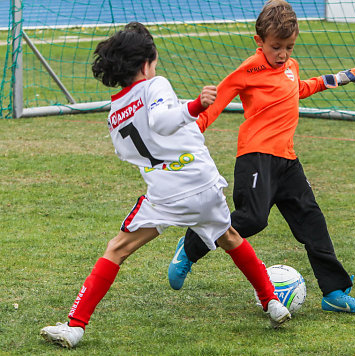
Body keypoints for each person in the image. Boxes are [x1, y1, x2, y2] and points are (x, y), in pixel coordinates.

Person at [40, 21, 290, 349]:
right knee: (230, 236)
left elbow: (127, 150)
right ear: (145, 63)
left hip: (166, 192)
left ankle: (75, 326)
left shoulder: (115, 112)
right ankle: (272, 302)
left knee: (118, 249)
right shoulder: (155, 84)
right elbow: (162, 120)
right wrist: (195, 107)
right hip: (201, 180)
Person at [168, 0, 355, 314]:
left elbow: (298, 88)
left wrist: (341, 77)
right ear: (259, 42)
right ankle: (192, 243)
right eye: (276, 47)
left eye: (289, 47)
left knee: (313, 223)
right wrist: (192, 129)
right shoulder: (248, 69)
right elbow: (218, 101)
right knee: (252, 219)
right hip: (256, 157)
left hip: (287, 162)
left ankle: (335, 292)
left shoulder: (289, 66)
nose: (283, 54)